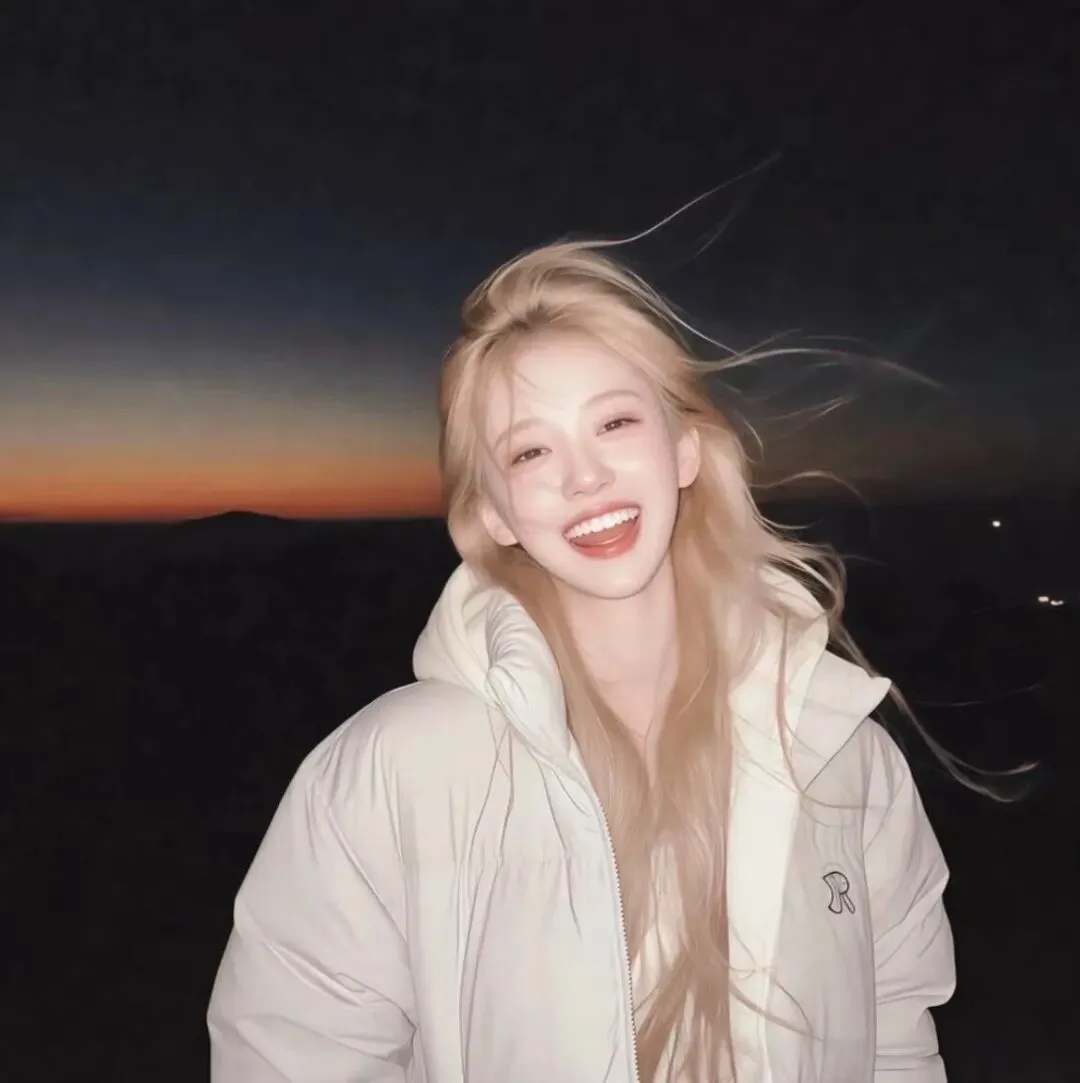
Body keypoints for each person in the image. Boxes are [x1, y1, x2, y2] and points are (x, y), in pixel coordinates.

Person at [208, 239, 955, 1082]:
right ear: (493, 513)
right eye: (530, 452)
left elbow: (896, 1035)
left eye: (614, 422)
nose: (585, 476)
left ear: (685, 449)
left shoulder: (841, 753)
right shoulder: (391, 772)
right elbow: (291, 1056)